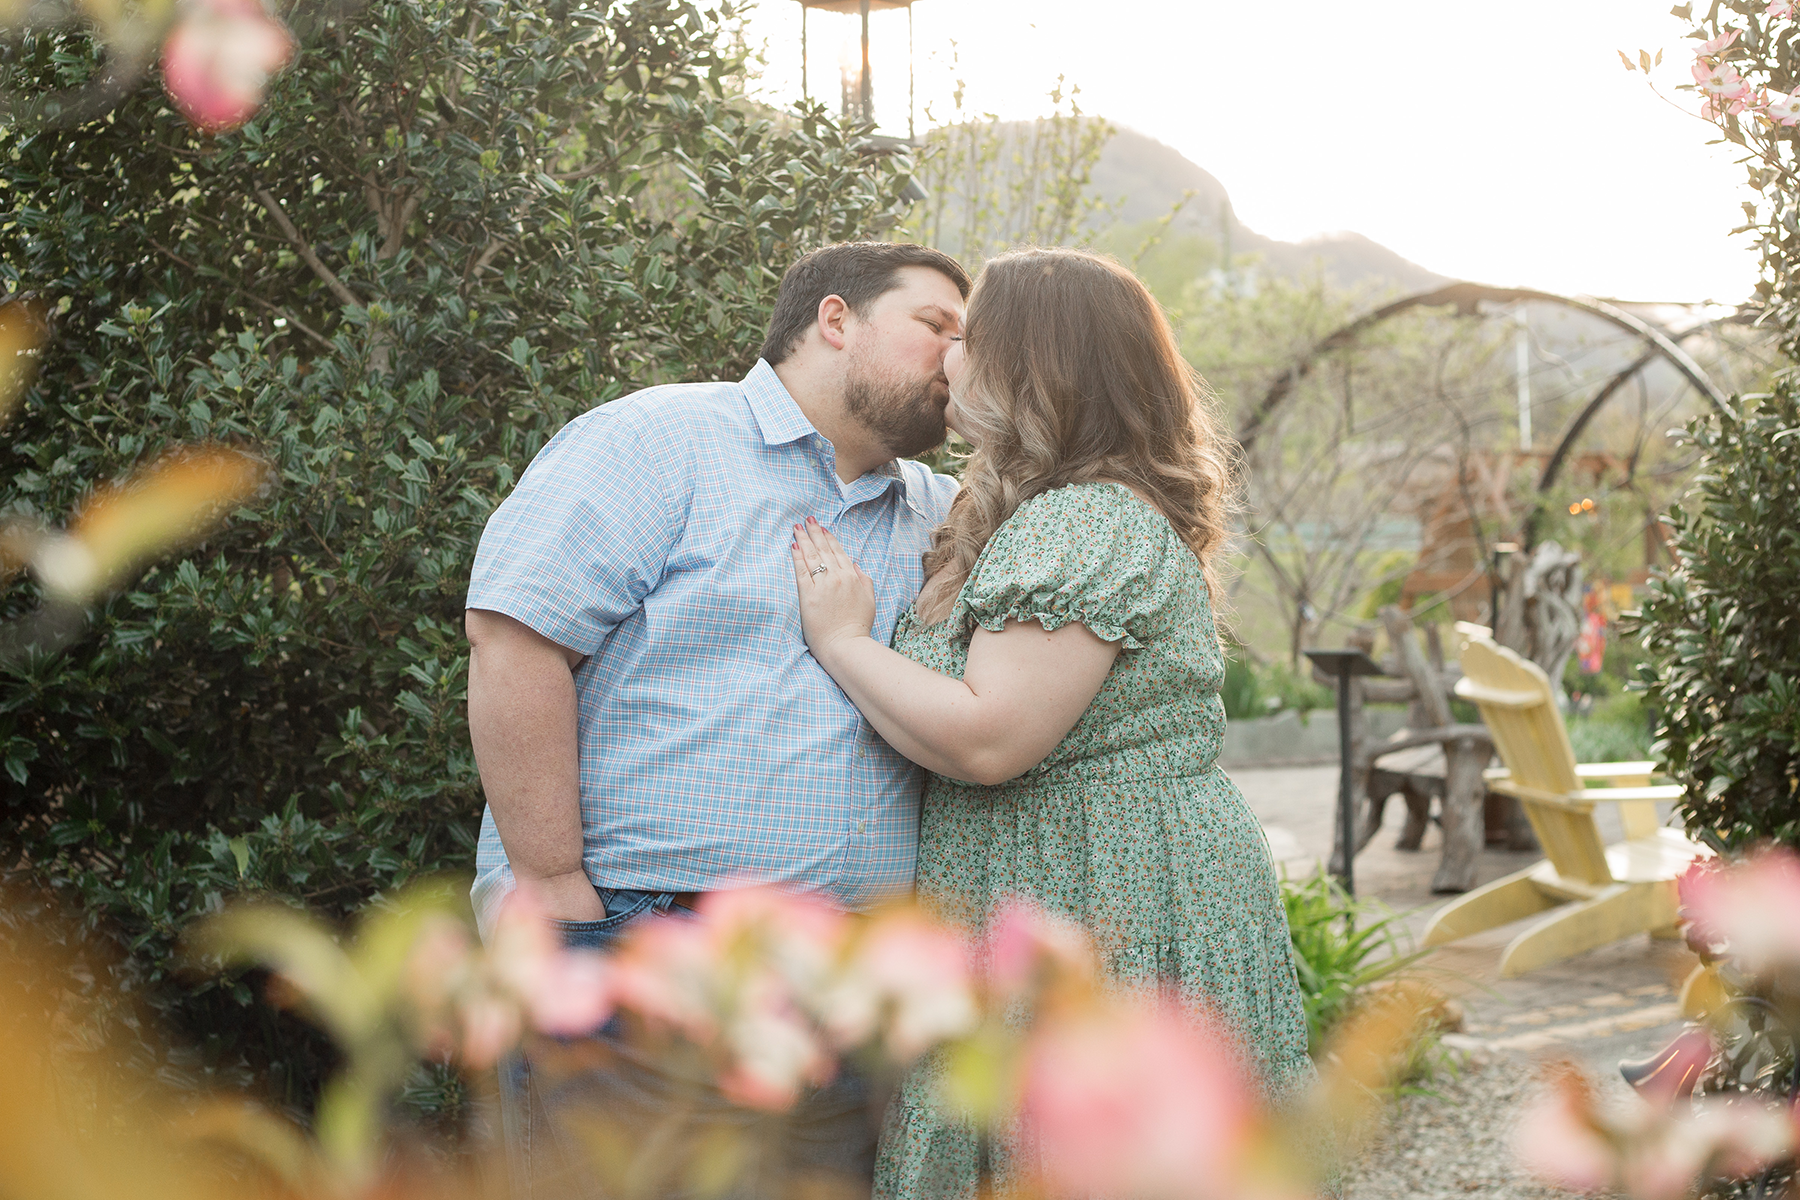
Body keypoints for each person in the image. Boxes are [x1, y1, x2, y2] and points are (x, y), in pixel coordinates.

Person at [789, 247, 1316, 1198]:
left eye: (967, 336)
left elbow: (992, 737)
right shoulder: (1029, 514)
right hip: (1052, 885)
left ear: (1029, 363)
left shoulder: (1087, 521)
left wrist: (843, 641)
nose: (946, 358)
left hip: (1103, 892)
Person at [464, 240, 971, 1199]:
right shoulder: (659, 440)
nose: (956, 359)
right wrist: (556, 892)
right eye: (935, 327)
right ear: (836, 320)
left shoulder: (942, 516)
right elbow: (514, 638)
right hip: (633, 945)